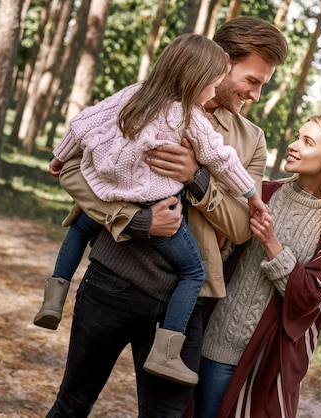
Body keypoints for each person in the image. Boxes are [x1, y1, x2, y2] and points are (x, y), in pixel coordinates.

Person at [45, 17, 288, 417]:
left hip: (184, 299)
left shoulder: (250, 140)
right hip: (114, 278)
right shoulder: (147, 99)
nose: (257, 95)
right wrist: (133, 219)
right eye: (253, 80)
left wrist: (196, 176)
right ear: (223, 63)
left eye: (263, 84)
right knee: (73, 403)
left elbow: (245, 226)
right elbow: (73, 167)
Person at [193, 115, 321, 418]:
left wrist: (272, 243)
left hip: (266, 361)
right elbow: (223, 255)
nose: (293, 146)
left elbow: (310, 297)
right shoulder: (264, 193)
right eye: (298, 136)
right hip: (215, 342)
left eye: (308, 142)